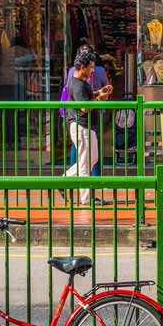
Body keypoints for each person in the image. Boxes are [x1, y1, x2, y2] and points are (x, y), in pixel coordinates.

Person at [60, 47, 110, 206]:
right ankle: (86, 198)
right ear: (82, 67)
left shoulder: (80, 82)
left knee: (91, 158)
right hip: (82, 126)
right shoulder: (77, 85)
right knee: (85, 162)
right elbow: (84, 107)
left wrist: (99, 92)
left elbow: (86, 97)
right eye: (91, 67)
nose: (93, 70)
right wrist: (99, 99)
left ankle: (63, 181)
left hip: (87, 126)